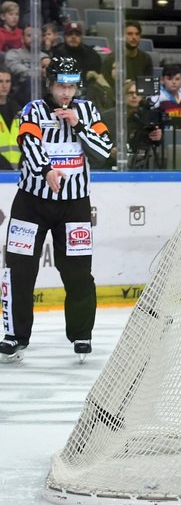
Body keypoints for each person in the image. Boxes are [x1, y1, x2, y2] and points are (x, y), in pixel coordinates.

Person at [1, 57, 113, 361]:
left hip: (74, 206)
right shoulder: (33, 110)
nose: (66, 92)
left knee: (78, 273)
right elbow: (28, 143)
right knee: (18, 269)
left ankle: (81, 335)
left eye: (71, 86)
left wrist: (78, 126)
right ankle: (14, 335)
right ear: (50, 84)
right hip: (31, 203)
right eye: (61, 85)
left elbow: (103, 151)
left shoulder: (88, 111)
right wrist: (46, 170)